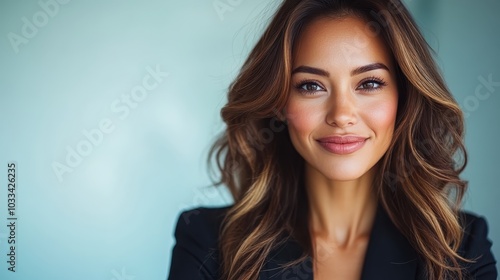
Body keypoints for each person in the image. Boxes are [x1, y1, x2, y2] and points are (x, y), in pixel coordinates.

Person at [167, 0, 497, 279]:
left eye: (369, 83)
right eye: (311, 85)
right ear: (280, 103)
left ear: (405, 97)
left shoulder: (459, 248)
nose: (341, 114)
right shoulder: (207, 241)